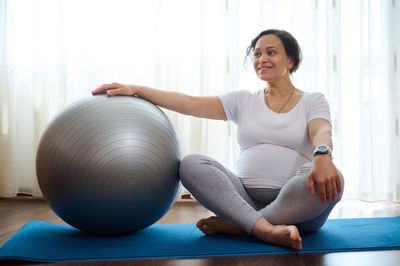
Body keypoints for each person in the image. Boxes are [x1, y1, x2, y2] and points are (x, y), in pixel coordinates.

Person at [92, 29, 344, 251]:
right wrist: (136, 89)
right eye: (256, 54)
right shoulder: (243, 100)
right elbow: (189, 103)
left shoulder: (313, 100)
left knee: (335, 180)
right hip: (245, 198)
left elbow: (322, 131)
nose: (262, 59)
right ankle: (264, 228)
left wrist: (322, 154)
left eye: (271, 52)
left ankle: (244, 225)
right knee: (191, 163)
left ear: (290, 59)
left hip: (298, 209)